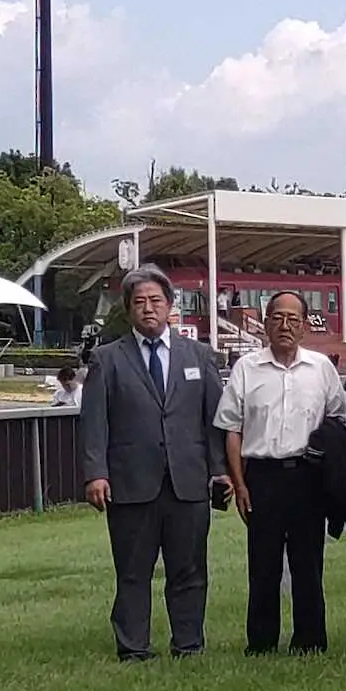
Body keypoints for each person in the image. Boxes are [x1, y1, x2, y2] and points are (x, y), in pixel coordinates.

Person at [78, 264, 228, 662]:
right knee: (132, 571)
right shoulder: (106, 359)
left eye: (156, 301)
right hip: (131, 481)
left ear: (170, 306)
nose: (148, 309)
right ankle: (133, 647)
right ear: (128, 309)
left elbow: (215, 419)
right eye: (139, 302)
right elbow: (94, 421)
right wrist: (96, 473)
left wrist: (219, 469)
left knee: (190, 570)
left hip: (189, 481)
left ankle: (189, 644)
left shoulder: (198, 355)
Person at [213, 290, 346, 656]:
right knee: (263, 563)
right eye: (277, 318)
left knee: (308, 563)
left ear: (305, 326)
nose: (285, 325)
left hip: (308, 476)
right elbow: (232, 429)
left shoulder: (321, 368)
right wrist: (239, 484)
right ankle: (261, 642)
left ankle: (310, 641)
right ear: (265, 323)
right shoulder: (246, 368)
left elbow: (337, 420)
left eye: (293, 319)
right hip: (262, 477)